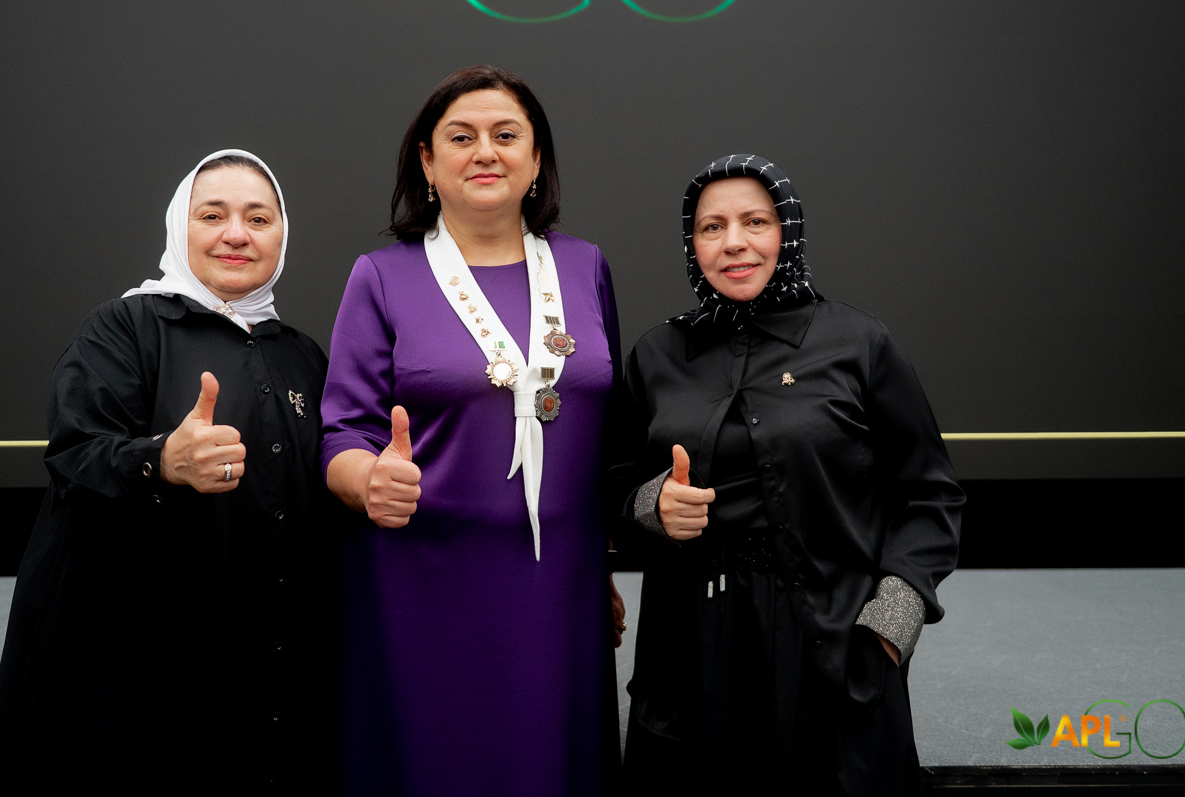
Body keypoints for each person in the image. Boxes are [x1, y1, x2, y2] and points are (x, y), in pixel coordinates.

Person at [606, 154, 964, 796]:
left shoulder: (859, 343)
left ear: (788, 230)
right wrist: (651, 505)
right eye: (711, 227)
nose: (733, 242)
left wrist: (890, 626)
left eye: (756, 221)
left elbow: (930, 495)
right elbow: (610, 486)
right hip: (692, 649)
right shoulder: (658, 354)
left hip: (835, 639)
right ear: (692, 244)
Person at [0, 150, 337, 795]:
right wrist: (162, 461)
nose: (237, 234)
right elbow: (75, 453)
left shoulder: (303, 357)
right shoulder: (124, 328)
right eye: (213, 215)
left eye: (259, 218)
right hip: (136, 657)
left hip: (259, 652)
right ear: (180, 225)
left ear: (282, 235)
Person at [320, 66, 623, 796]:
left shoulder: (585, 266)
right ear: (428, 163)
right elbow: (342, 434)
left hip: (560, 589)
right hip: (420, 589)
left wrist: (606, 570)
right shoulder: (381, 276)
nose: (485, 151)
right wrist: (368, 481)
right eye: (461, 137)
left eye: (505, 135)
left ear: (536, 159)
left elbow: (605, 433)